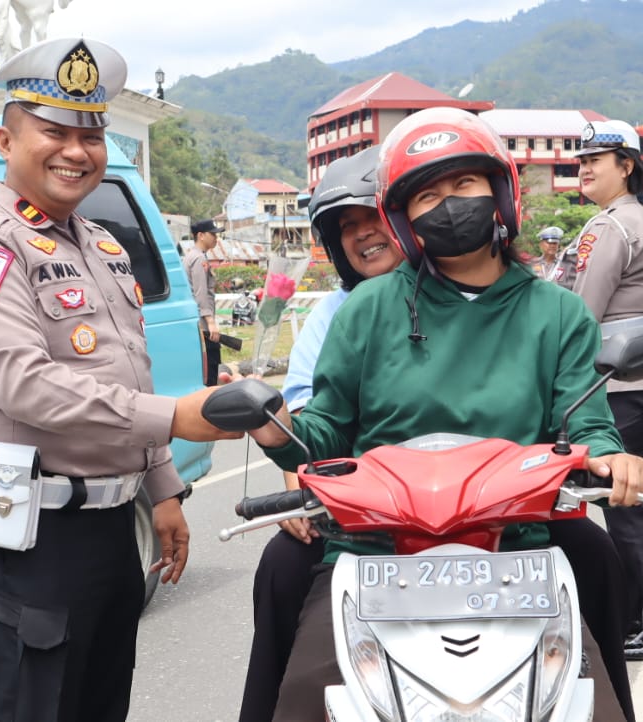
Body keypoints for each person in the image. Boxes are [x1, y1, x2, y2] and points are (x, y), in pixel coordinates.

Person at [248, 107, 643, 722]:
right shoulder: (368, 310)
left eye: (464, 184)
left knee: (597, 606)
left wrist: (609, 458)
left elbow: (587, 422)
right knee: (304, 683)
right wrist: (275, 425)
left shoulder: (559, 314)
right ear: (404, 218)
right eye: (427, 195)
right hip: (375, 548)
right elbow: (327, 427)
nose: (449, 204)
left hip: (516, 539)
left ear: (500, 192)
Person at [0, 37, 237, 722]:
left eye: (90, 135)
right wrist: (177, 419)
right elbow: (24, 386)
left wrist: (162, 488)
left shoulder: (100, 245)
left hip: (109, 528)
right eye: (55, 132)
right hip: (34, 533)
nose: (76, 150)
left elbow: (130, 371)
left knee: (101, 702)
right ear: (7, 140)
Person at [239, 146, 403, 722]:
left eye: (373, 217)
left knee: (593, 556)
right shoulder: (337, 313)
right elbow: (311, 420)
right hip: (362, 511)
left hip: (483, 511)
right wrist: (300, 485)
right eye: (347, 228)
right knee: (283, 566)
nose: (363, 236)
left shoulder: (478, 294)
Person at [569, 119, 643, 662]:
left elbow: (580, 312)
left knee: (625, 505)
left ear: (628, 166)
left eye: (600, 158)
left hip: (617, 380)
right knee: (625, 500)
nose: (586, 167)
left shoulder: (609, 227)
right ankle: (637, 617)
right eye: (582, 160)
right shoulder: (633, 218)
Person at [186, 218, 223, 385]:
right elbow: (200, 293)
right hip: (203, 323)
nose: (216, 238)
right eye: (213, 234)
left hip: (198, 321)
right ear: (200, 235)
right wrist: (211, 322)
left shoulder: (192, 256)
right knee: (211, 368)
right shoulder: (199, 259)